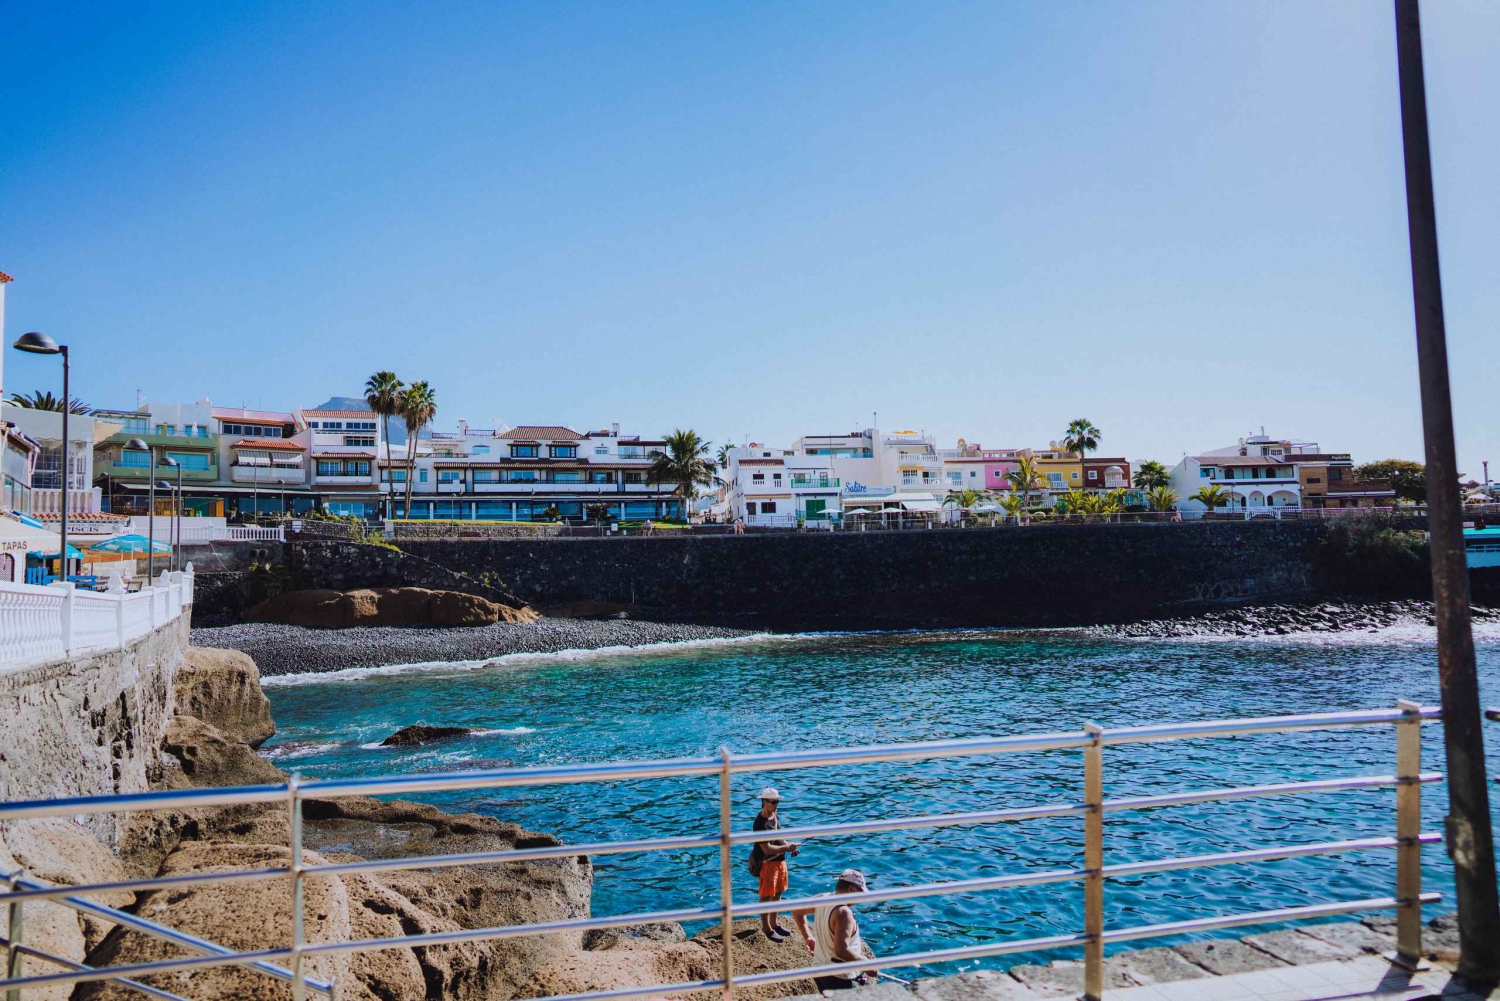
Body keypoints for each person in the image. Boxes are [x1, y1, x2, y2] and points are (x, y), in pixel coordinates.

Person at [794, 869, 877, 991]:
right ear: (852, 889)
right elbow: (841, 950)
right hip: (840, 978)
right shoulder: (843, 913)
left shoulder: (824, 898)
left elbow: (796, 910)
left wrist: (808, 937)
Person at [750, 787, 800, 940]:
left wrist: (790, 847)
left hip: (780, 861)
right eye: (773, 802)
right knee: (766, 895)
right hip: (768, 863)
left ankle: (774, 922)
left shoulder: (774, 816)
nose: (776, 805)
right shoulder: (760, 823)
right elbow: (767, 848)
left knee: (778, 892)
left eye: (777, 802)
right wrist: (786, 847)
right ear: (764, 802)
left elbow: (779, 836)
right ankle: (766, 928)